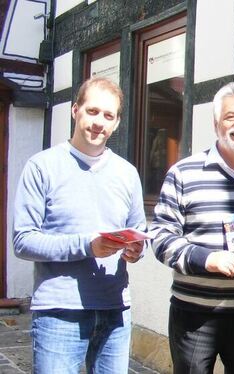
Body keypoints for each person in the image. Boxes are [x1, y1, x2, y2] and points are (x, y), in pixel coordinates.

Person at [13, 77, 145, 373]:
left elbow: (138, 231)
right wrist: (87, 245)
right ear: (75, 110)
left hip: (115, 311)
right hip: (59, 313)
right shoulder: (42, 166)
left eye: (108, 116)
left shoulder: (127, 173)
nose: (99, 122)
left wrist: (136, 250)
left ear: (117, 123)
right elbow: (23, 240)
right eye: (93, 111)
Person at [151, 82, 234, 374]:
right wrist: (206, 259)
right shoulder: (183, 173)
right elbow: (160, 237)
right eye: (231, 116)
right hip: (194, 315)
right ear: (215, 123)